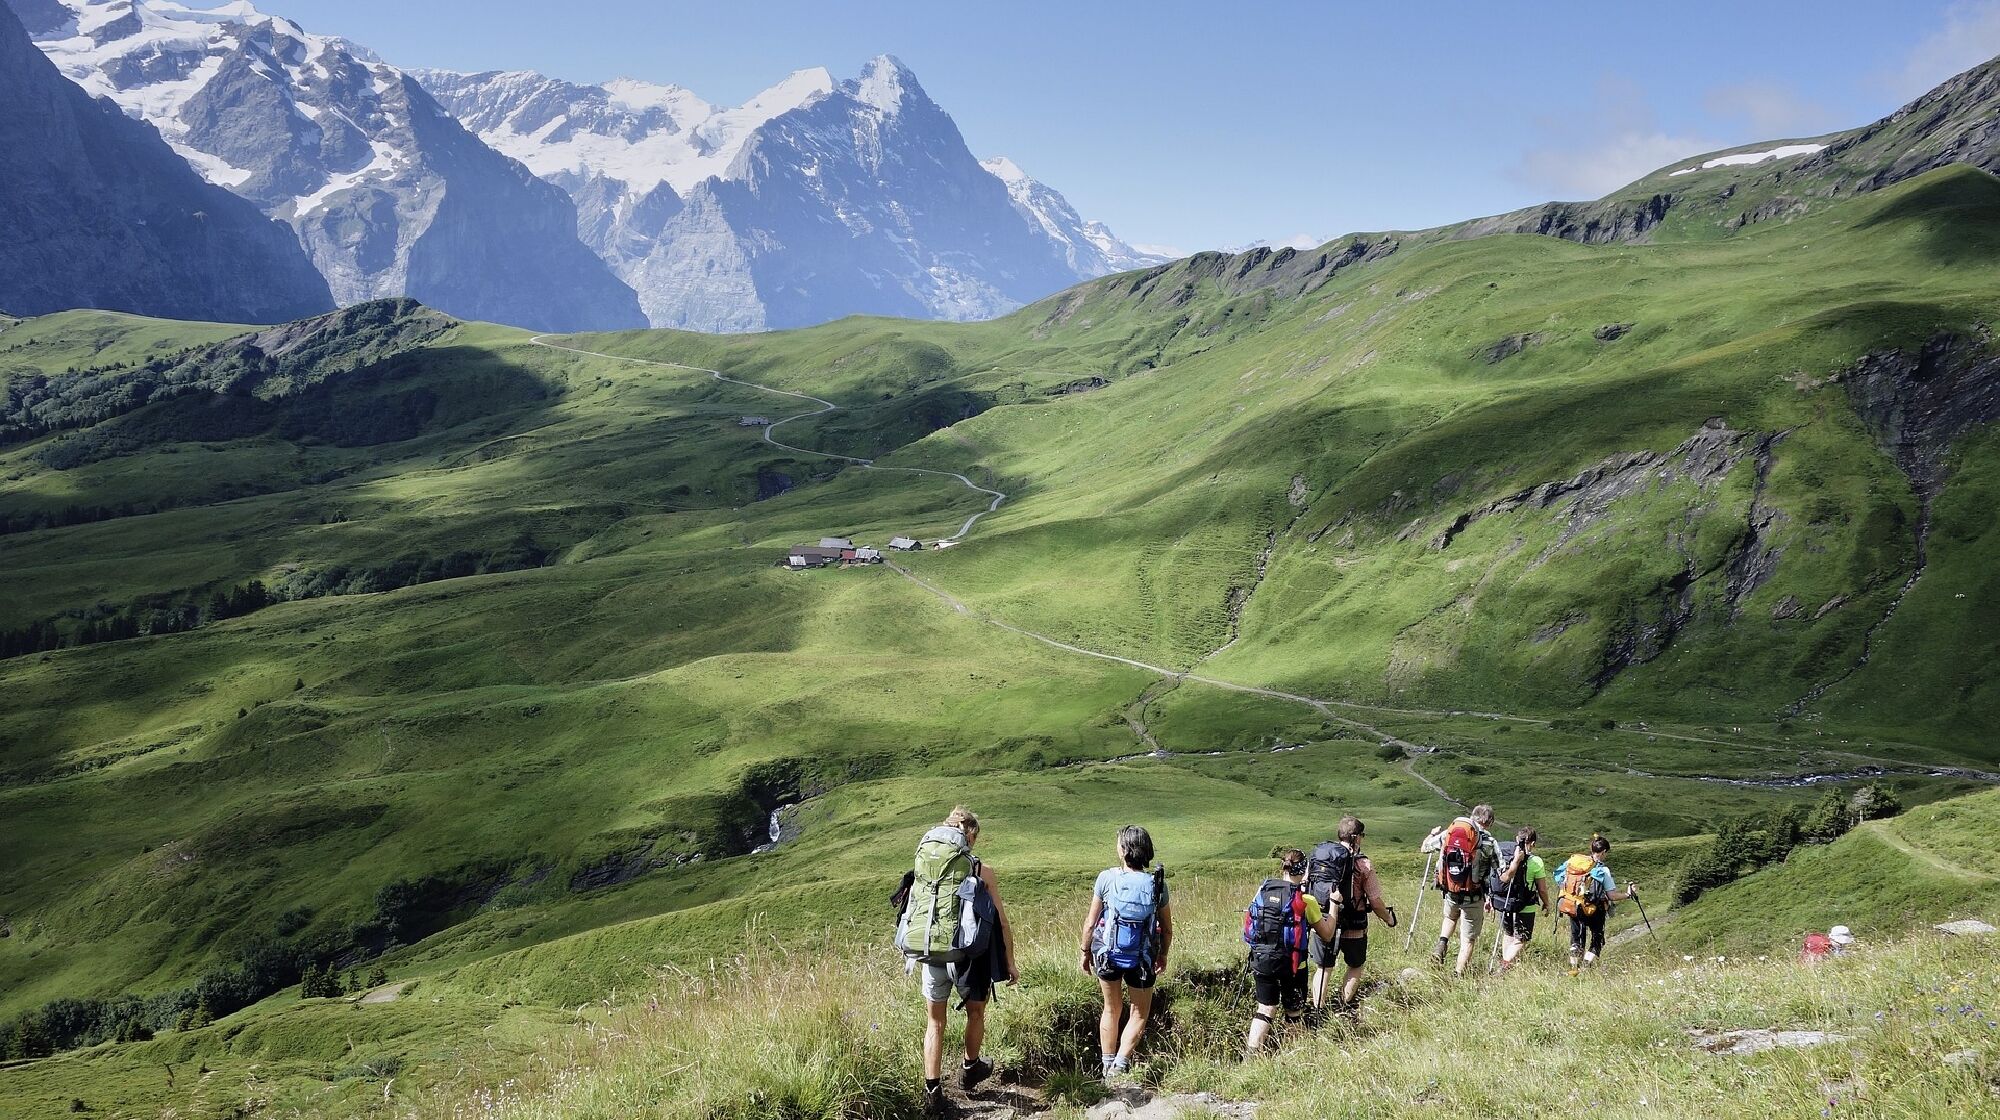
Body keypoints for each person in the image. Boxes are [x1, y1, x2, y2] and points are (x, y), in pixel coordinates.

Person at [898, 807, 1019, 1113]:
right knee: (976, 1013)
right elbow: (1002, 923)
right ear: (969, 835)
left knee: (935, 1022)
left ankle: (933, 1091)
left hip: (929, 952)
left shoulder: (924, 864)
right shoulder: (980, 869)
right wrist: (1010, 962)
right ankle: (970, 1069)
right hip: (966, 955)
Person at [1079, 825, 1172, 1080]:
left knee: (1111, 1009)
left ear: (1124, 850)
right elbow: (1166, 929)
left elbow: (1090, 922)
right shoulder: (1157, 884)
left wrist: (1085, 952)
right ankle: (1121, 1064)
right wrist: (1162, 955)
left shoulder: (1107, 878)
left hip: (1107, 955)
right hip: (1143, 960)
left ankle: (1107, 1067)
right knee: (1139, 1012)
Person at [1243, 848, 1342, 1055]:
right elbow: (1327, 934)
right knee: (1294, 1012)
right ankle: (1293, 1057)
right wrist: (1334, 905)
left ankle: (1251, 1058)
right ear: (1304, 870)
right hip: (1294, 966)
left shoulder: (1262, 890)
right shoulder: (1306, 901)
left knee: (1265, 1009)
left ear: (1283, 868)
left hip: (1262, 960)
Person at [1306, 816, 1396, 1010]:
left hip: (1323, 921)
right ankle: (1341, 1006)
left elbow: (1306, 884)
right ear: (1356, 837)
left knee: (1323, 968)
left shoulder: (1319, 855)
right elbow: (1375, 901)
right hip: (1354, 924)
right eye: (1362, 835)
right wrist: (1389, 919)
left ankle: (1317, 1010)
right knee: (1355, 965)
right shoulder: (1363, 865)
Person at [1421, 804, 1502, 976]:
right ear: (1490, 822)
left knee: (1450, 917)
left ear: (1473, 817)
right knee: (1468, 939)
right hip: (1474, 896)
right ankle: (1457, 975)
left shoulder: (1449, 834)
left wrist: (1432, 834)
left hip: (1450, 891)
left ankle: (1442, 943)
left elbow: (1425, 847)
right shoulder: (1489, 842)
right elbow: (1501, 872)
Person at [1555, 833, 1637, 969]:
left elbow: (1558, 877)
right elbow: (1612, 896)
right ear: (1604, 852)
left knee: (1576, 940)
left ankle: (1574, 969)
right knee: (1597, 938)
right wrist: (1628, 894)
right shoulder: (1602, 870)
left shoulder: (1574, 863)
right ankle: (1586, 966)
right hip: (1594, 910)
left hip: (1573, 905)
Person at [1492, 826, 1553, 973]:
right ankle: (1504, 966)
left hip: (1504, 901)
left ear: (1516, 839)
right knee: (1522, 938)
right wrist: (1546, 903)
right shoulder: (1536, 861)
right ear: (1532, 843)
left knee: (1509, 934)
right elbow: (1542, 889)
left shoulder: (1505, 855)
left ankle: (1505, 967)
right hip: (1525, 905)